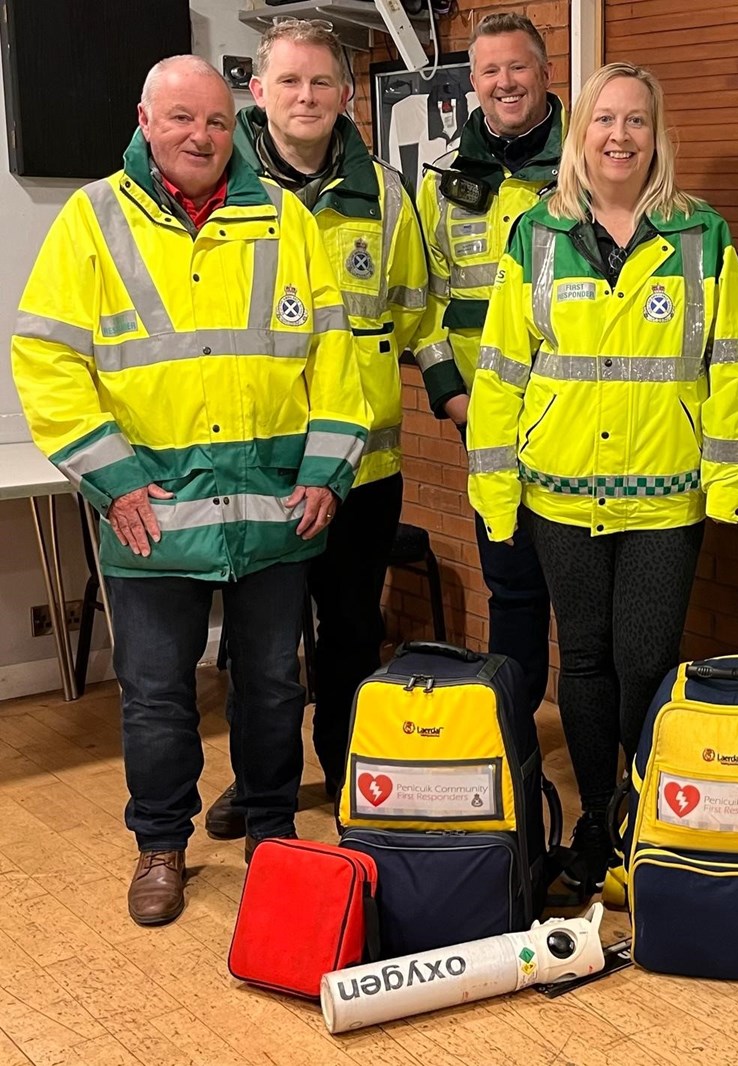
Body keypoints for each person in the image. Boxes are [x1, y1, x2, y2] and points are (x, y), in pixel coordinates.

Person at [10, 56, 367, 925]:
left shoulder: (283, 216)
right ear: (143, 118)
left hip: (272, 510)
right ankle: (161, 846)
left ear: (233, 121)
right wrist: (113, 479)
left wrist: (327, 469)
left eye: (214, 120)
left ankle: (274, 831)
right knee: (159, 693)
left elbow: (334, 351)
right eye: (179, 119)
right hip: (152, 517)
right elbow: (45, 358)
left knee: (276, 687)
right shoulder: (92, 220)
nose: (199, 137)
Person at [467, 62, 738, 890]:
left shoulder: (699, 236)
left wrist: (732, 480)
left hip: (666, 497)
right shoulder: (536, 234)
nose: (620, 136)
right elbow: (501, 371)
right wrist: (494, 491)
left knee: (647, 659)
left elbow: (735, 366)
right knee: (586, 661)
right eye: (605, 120)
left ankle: (646, 810)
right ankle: (599, 819)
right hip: (559, 494)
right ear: (582, 134)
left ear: (657, 135)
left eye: (637, 121)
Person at [204, 17, 428, 839]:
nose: (305, 96)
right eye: (288, 82)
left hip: (361, 471)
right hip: (257, 467)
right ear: (258, 93)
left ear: (345, 96)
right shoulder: (223, 197)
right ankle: (261, 783)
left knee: (351, 635)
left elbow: (413, 311)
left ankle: (342, 774)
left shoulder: (387, 197)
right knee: (256, 649)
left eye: (321, 83)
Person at [413, 12, 558, 722]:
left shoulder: (588, 164)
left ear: (545, 72)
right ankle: (516, 740)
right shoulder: (441, 181)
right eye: (490, 71)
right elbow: (426, 304)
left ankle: (616, 764)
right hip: (488, 424)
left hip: (579, 421)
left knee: (591, 600)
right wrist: (454, 401)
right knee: (512, 586)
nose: (505, 83)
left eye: (518, 68)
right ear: (473, 83)